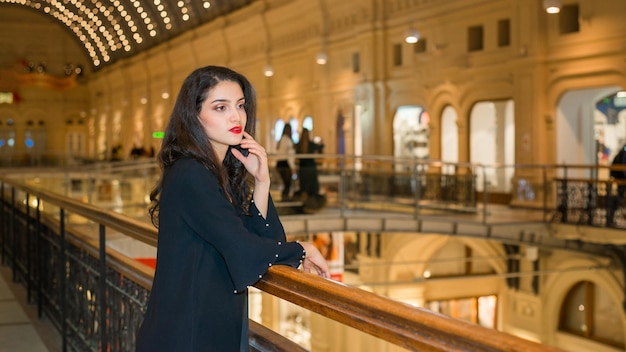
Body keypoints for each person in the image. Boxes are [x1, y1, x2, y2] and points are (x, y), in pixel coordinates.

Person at [135, 66, 329, 352]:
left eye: (240, 105)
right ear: (194, 115)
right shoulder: (191, 174)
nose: (236, 116)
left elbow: (266, 241)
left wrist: (262, 182)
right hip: (187, 335)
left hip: (200, 326)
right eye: (220, 107)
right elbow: (245, 251)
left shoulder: (216, 173)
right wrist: (302, 249)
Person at [295, 127, 326, 212]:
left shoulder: (298, 145)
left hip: (302, 169)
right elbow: (321, 147)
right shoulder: (311, 144)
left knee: (304, 189)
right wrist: (321, 142)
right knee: (313, 189)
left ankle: (305, 207)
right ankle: (312, 207)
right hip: (311, 169)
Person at [275, 124, 296, 201]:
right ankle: (285, 201)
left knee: (286, 184)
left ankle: (284, 200)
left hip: (279, 163)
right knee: (288, 184)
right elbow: (290, 156)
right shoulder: (288, 141)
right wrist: (293, 167)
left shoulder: (280, 140)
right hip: (285, 163)